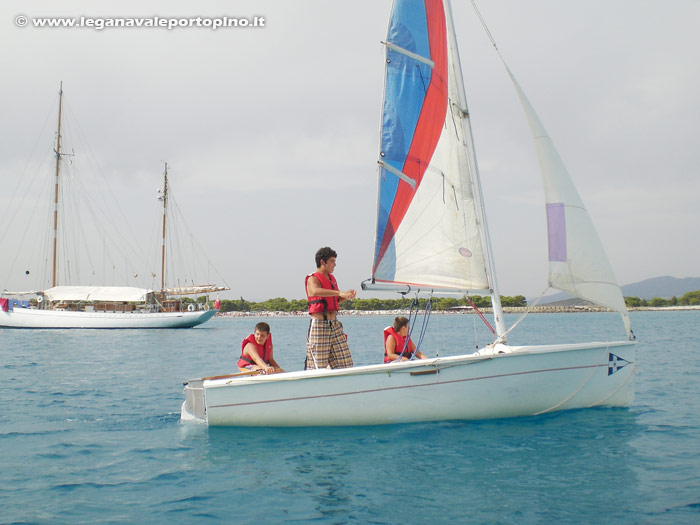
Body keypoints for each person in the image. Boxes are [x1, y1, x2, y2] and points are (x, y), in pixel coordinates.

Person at [304, 246, 355, 369]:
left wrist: (346, 296)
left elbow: (335, 300)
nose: (335, 264)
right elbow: (314, 291)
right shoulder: (313, 278)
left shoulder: (332, 279)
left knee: (346, 363)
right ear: (323, 262)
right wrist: (338, 293)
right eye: (332, 261)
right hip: (319, 325)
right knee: (318, 366)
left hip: (334, 324)